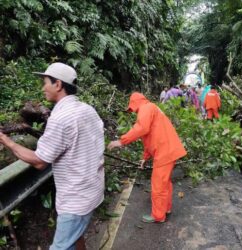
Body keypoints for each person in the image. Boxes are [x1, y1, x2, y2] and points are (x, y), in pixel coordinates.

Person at [0, 63, 105, 249]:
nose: (43, 88)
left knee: (61, 246)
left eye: (45, 82)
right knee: (77, 235)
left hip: (75, 200)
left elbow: (40, 161)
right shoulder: (88, 110)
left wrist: (7, 141)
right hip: (93, 190)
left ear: (58, 85)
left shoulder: (61, 118)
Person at [108, 92, 187, 223]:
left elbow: (141, 129)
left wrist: (121, 141)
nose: (133, 111)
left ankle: (158, 216)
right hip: (168, 150)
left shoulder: (146, 108)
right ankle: (165, 209)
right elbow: (149, 136)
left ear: (135, 103)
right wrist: (145, 157)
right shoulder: (151, 108)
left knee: (158, 186)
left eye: (132, 108)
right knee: (164, 183)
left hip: (164, 152)